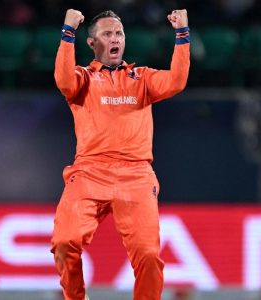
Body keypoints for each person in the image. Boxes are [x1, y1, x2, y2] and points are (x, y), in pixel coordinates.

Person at [50, 8, 190, 300]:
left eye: (119, 33)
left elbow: (176, 81)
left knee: (149, 256)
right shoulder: (82, 78)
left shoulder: (142, 78)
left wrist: (182, 34)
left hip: (136, 175)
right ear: (92, 43)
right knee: (64, 242)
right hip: (89, 172)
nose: (115, 39)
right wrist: (67, 32)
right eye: (107, 34)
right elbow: (63, 81)